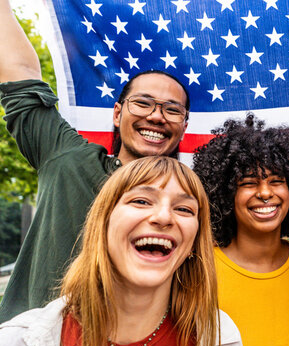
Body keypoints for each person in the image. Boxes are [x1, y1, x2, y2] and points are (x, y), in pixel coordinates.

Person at [0, 0, 190, 321]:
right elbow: (20, 74)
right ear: (117, 113)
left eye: (172, 109)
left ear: (184, 125)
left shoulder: (191, 205)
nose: (156, 116)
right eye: (143, 103)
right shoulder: (67, 159)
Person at [0, 156, 243, 346]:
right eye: (141, 201)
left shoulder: (222, 341)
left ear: (193, 242)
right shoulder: (16, 345)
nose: (163, 217)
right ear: (103, 223)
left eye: (183, 209)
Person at [193, 116, 289, 346]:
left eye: (276, 181)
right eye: (249, 183)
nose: (265, 193)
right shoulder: (200, 269)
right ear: (225, 193)